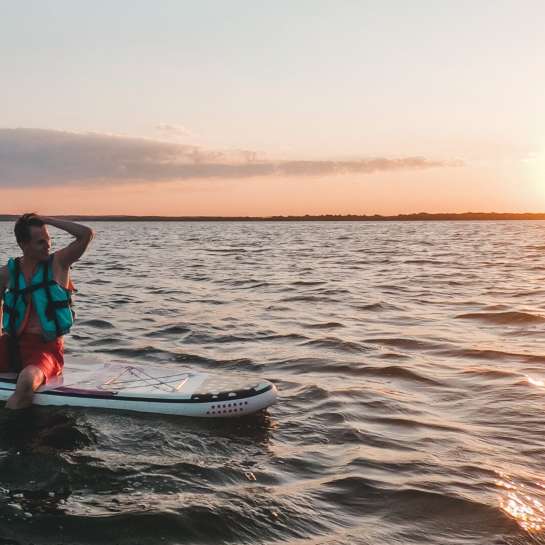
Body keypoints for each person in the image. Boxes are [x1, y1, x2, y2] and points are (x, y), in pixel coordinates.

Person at [0, 214, 94, 409]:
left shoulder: (59, 263)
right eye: (40, 242)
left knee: (26, 382)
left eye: (49, 240)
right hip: (11, 345)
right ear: (24, 244)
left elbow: (85, 234)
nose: (48, 245)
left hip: (46, 349)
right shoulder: (8, 273)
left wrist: (48, 220)